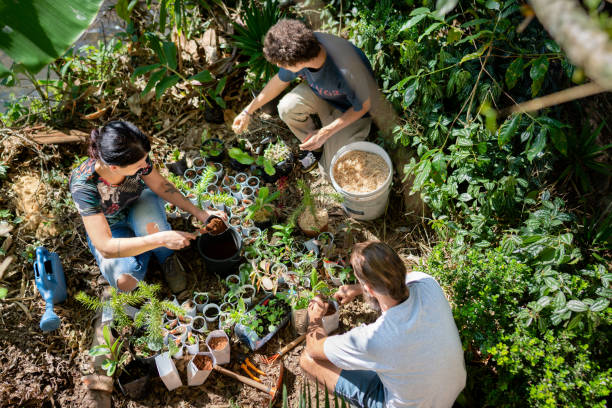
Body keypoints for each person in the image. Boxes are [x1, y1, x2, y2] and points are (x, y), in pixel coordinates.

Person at [300, 241, 466, 408]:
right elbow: (402, 279)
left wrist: (314, 316)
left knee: (307, 360)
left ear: (370, 289)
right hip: (450, 391)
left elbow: (314, 348)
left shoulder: (374, 338)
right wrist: (358, 288)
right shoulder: (427, 283)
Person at [70, 120, 226, 294]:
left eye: (145, 160)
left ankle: (165, 256)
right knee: (125, 282)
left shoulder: (135, 154)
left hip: (139, 204)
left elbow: (160, 186)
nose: (145, 166)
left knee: (150, 229)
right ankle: (151, 245)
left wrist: (200, 213)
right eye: (139, 166)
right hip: (111, 226)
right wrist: (160, 239)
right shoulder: (83, 186)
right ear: (114, 167)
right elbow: (106, 247)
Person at [232, 19, 379, 175]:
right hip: (324, 95)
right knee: (286, 108)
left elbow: (364, 105)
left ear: (297, 62)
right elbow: (278, 82)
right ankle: (316, 146)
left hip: (353, 110)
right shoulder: (304, 47)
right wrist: (248, 110)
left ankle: (327, 139)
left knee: (331, 169)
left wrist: (326, 132)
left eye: (281, 64)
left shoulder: (346, 69)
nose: (278, 66)